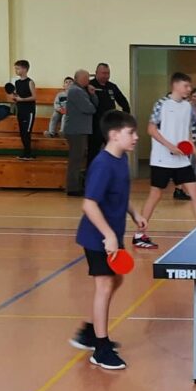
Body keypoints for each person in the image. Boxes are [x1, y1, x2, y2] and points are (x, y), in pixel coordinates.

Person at [71, 112, 143, 371]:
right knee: (104, 285)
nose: (136, 137)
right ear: (114, 135)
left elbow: (120, 193)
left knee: (116, 279)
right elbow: (89, 204)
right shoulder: (102, 164)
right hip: (97, 238)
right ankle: (100, 349)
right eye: (131, 133)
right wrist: (109, 235)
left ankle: (89, 331)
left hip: (111, 234)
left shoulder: (121, 159)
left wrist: (134, 213)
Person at [135, 71, 196, 247]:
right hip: (161, 159)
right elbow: (151, 129)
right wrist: (170, 147)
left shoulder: (187, 107)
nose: (189, 89)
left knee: (195, 193)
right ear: (175, 86)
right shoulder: (161, 104)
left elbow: (186, 133)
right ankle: (139, 234)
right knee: (156, 194)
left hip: (181, 160)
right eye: (186, 86)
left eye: (189, 86)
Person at [87, 62, 132, 168]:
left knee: (114, 151)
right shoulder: (90, 86)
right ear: (96, 73)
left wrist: (124, 119)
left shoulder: (112, 86)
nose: (106, 76)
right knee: (93, 153)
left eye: (108, 73)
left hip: (110, 126)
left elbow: (123, 102)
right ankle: (91, 175)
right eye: (103, 73)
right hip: (95, 126)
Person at [62, 70, 97, 198]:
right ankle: (73, 187)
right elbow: (90, 108)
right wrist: (91, 100)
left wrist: (92, 95)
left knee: (78, 158)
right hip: (76, 130)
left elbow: (94, 105)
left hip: (80, 129)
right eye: (86, 78)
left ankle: (76, 186)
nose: (88, 80)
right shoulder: (76, 91)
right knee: (76, 159)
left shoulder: (82, 90)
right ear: (79, 79)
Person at [9, 59, 36, 160]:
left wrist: (22, 99)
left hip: (29, 111)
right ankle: (25, 152)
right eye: (15, 69)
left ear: (25, 69)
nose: (16, 70)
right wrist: (15, 98)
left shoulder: (30, 82)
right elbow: (18, 96)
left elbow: (34, 97)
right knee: (22, 132)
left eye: (18, 68)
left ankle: (29, 154)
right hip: (20, 110)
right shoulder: (17, 82)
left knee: (26, 132)